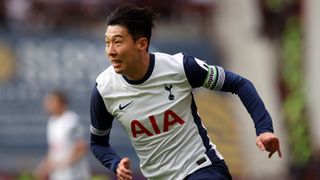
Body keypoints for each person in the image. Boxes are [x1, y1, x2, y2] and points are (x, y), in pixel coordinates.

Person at [90, 5, 282, 180]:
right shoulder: (104, 89)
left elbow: (239, 84)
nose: (110, 51)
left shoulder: (180, 68)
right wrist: (115, 165)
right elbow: (98, 143)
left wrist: (264, 129)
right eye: (107, 43)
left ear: (141, 44)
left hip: (201, 168)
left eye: (117, 42)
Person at [35, 91, 90, 180]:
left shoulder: (72, 120)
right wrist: (45, 166)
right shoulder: (52, 122)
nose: (48, 105)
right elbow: (54, 150)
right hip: (58, 176)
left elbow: (81, 147)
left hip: (75, 176)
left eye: (51, 102)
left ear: (61, 103)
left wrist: (62, 164)